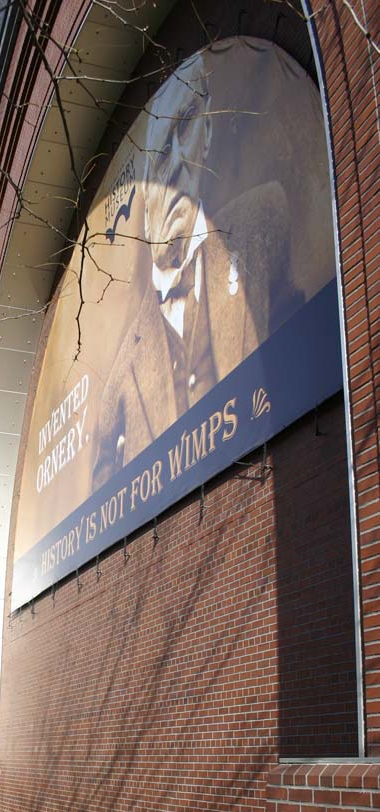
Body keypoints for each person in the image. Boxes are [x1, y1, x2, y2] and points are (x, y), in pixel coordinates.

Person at [92, 50, 301, 489]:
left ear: (206, 132)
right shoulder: (118, 379)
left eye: (184, 129)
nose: (175, 170)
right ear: (142, 194)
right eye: (158, 159)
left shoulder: (263, 223)